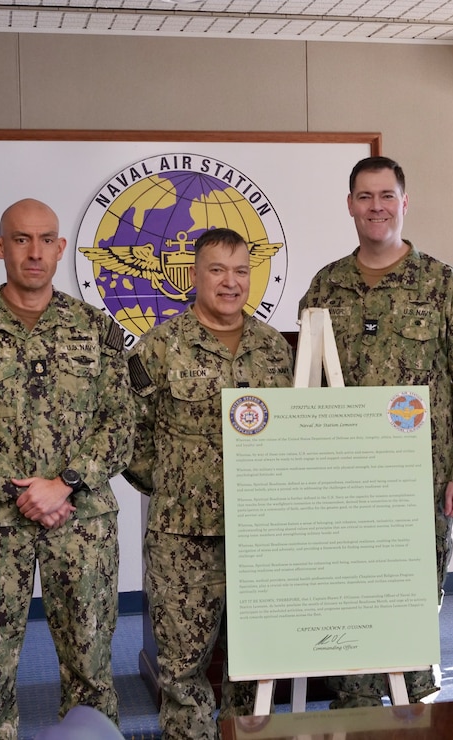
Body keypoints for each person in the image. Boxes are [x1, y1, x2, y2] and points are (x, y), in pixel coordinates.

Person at [0, 198, 133, 737]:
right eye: (21, 239)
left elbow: (121, 421)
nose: (34, 252)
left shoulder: (96, 330)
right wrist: (21, 492)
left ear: (62, 247)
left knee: (91, 677)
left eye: (46, 239)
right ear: (0, 247)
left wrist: (62, 485)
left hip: (82, 520)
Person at [299, 155, 453, 706]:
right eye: (365, 197)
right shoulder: (325, 287)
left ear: (404, 203)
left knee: (412, 610)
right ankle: (356, 710)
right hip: (344, 487)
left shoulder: (443, 285)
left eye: (387, 196)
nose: (376, 207)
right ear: (350, 206)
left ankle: (420, 712)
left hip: (420, 484)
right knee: (349, 603)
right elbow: (305, 389)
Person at [125, 227, 294, 739]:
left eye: (241, 270)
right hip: (183, 537)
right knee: (182, 672)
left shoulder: (272, 349)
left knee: (254, 668)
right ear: (194, 276)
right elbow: (131, 436)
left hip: (258, 535)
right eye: (217, 270)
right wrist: (179, 486)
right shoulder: (159, 346)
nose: (231, 282)